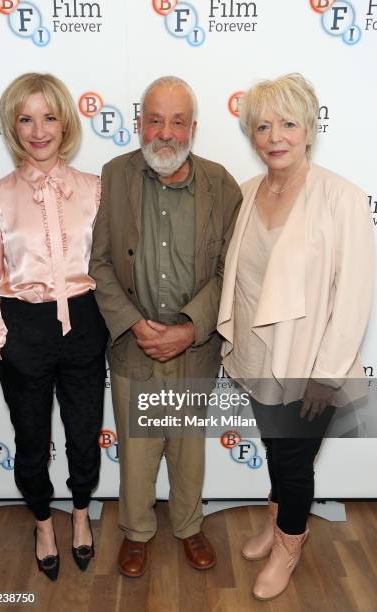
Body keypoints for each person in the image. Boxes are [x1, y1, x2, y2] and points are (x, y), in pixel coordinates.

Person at [217, 73, 373, 600]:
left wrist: (327, 376)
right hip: (259, 356)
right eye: (263, 125)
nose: (275, 135)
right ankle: (277, 520)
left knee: (291, 458)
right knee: (275, 449)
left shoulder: (341, 197)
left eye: (287, 122)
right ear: (251, 134)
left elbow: (354, 294)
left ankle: (290, 543)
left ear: (309, 128)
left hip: (310, 364)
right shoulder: (245, 193)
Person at [89, 75, 242, 577]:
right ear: (139, 125)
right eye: (155, 120)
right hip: (135, 345)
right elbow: (100, 264)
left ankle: (188, 526)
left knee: (187, 447)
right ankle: (136, 533)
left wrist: (191, 327)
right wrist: (134, 325)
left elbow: (230, 273)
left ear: (193, 129)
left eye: (177, 122)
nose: (165, 133)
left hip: (193, 347)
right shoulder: (112, 176)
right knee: (136, 449)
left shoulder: (221, 184)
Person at [0, 73, 108, 580]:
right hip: (23, 328)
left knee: (83, 433)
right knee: (30, 438)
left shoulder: (95, 189)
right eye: (26, 118)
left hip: (85, 322)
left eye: (49, 117)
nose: (38, 130)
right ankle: (43, 521)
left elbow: (109, 266)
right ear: (11, 125)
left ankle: (79, 514)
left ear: (66, 123)